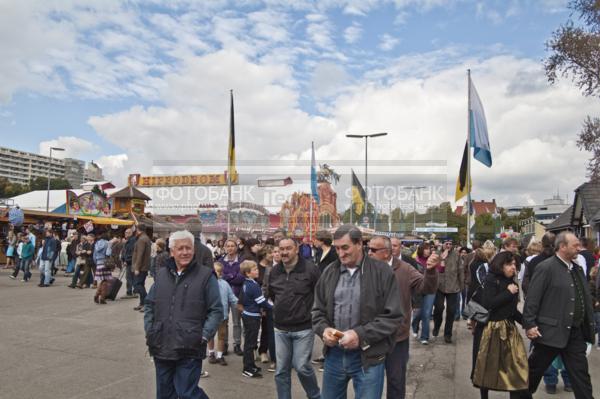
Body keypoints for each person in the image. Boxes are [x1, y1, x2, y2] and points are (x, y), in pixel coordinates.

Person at [313, 224, 403, 399]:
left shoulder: (382, 272)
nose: (340, 254)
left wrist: (360, 335)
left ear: (359, 243)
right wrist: (323, 330)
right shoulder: (329, 272)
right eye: (337, 248)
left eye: (345, 247)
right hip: (334, 356)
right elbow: (317, 311)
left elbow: (393, 317)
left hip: (369, 357)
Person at [144, 230, 223, 399]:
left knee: (187, 393)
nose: (185, 252)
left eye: (188, 248)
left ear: (194, 250)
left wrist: (203, 335)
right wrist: (150, 330)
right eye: (180, 248)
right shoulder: (162, 274)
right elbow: (150, 304)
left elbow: (216, 310)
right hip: (161, 344)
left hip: (190, 346)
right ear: (172, 252)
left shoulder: (206, 276)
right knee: (165, 394)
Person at [520, 232, 596, 399]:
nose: (579, 248)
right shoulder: (546, 267)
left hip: (574, 333)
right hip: (550, 332)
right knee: (532, 372)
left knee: (581, 376)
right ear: (562, 247)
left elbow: (582, 296)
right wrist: (530, 324)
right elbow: (533, 298)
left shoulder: (576, 268)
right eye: (575, 245)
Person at [368, 235, 438, 399]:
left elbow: (425, 287)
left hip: (396, 337)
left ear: (386, 253)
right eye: (368, 249)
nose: (368, 253)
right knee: (370, 383)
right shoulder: (365, 268)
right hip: (371, 336)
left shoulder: (405, 269)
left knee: (396, 381)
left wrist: (431, 270)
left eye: (373, 250)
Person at [267, 237, 321, 399]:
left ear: (297, 249)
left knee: (302, 366)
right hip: (280, 328)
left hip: (303, 328)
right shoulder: (275, 271)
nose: (284, 252)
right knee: (281, 371)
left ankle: (315, 395)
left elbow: (320, 294)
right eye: (281, 249)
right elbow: (272, 294)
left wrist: (312, 313)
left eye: (288, 248)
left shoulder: (310, 269)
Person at [472, 251, 529, 398]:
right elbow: (488, 304)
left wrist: (527, 323)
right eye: (509, 264)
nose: (513, 268)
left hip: (509, 331)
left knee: (515, 367)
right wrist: (507, 293)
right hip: (488, 330)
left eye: (515, 265)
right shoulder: (491, 280)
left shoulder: (513, 283)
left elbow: (512, 311)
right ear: (500, 265)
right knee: (486, 366)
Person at [240, 260, 273, 378]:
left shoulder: (247, 283)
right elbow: (262, 302)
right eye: (254, 269)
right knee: (250, 343)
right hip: (252, 317)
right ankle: (247, 368)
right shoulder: (253, 286)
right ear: (248, 273)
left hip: (248, 314)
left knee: (251, 342)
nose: (257, 271)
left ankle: (251, 364)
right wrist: (273, 308)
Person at [432, 240, 465, 343]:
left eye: (450, 244)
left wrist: (461, 285)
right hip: (439, 286)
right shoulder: (436, 254)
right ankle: (437, 326)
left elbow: (460, 270)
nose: (448, 246)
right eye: (446, 243)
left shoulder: (456, 255)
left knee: (451, 311)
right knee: (439, 307)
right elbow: (432, 268)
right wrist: (442, 257)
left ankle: (448, 334)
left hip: (453, 286)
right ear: (442, 244)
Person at [207, 262, 237, 366]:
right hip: (210, 315)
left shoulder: (225, 284)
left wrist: (240, 304)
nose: (217, 273)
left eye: (219, 271)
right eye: (215, 271)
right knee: (210, 335)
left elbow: (231, 297)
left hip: (222, 315)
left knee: (222, 335)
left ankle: (220, 355)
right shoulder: (207, 284)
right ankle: (211, 353)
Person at [219, 239, 245, 356]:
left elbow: (241, 278)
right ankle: (223, 344)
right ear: (225, 248)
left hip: (236, 295)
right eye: (228, 246)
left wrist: (228, 276)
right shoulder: (220, 261)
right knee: (223, 321)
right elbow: (220, 276)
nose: (230, 248)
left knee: (236, 322)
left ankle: (237, 344)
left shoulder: (241, 261)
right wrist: (233, 275)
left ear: (236, 247)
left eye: (232, 246)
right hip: (223, 295)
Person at [412, 242, 440, 344]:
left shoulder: (433, 260)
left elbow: (440, 270)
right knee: (417, 313)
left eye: (429, 249)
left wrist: (440, 262)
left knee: (427, 313)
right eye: (426, 248)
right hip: (418, 289)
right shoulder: (415, 261)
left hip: (430, 290)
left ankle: (424, 337)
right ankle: (415, 327)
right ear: (421, 250)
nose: (428, 250)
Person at [257, 245, 276, 367]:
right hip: (268, 303)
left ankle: (277, 355)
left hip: (282, 305)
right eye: (274, 252)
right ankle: (263, 351)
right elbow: (264, 287)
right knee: (266, 329)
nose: (275, 254)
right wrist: (263, 305)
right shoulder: (267, 269)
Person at [132, 224, 152, 312]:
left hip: (141, 267)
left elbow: (140, 255)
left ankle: (146, 303)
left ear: (138, 229)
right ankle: (142, 303)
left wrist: (137, 268)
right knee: (141, 284)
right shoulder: (145, 238)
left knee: (138, 285)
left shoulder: (142, 239)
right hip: (144, 266)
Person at [93, 232, 111, 304]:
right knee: (105, 281)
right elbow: (108, 253)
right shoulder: (108, 243)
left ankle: (97, 295)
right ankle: (102, 298)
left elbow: (94, 255)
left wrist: (96, 262)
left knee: (102, 281)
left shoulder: (97, 243)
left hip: (98, 263)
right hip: (105, 263)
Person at [121, 228, 137, 298]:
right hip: (129, 262)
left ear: (131, 233)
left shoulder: (132, 241)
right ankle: (133, 292)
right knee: (131, 277)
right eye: (125, 232)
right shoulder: (128, 241)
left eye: (127, 232)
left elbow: (131, 252)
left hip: (130, 262)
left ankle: (130, 292)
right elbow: (125, 251)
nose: (125, 234)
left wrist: (126, 261)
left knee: (129, 278)